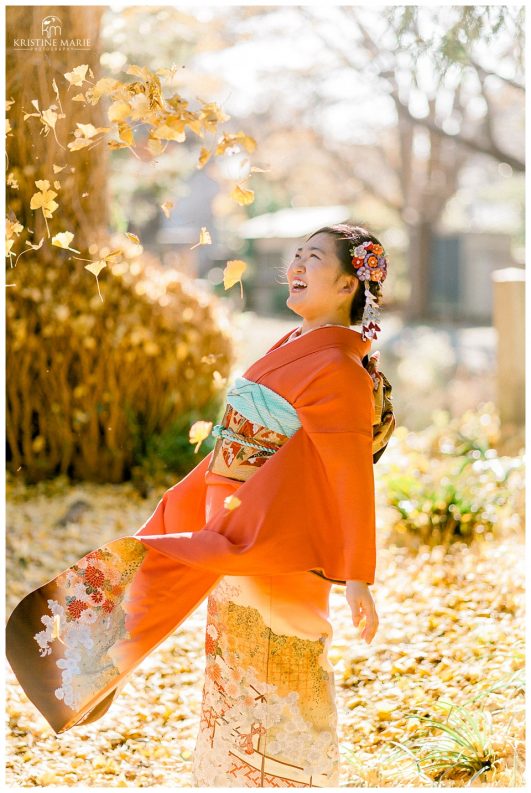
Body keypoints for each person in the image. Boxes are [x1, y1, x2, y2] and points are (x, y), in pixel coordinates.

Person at [6, 222, 392, 788]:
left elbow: (349, 475)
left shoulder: (338, 367)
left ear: (346, 285)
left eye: (314, 257)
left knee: (281, 666)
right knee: (234, 670)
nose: (297, 266)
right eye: (296, 255)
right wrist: (185, 506)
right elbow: (233, 449)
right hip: (236, 533)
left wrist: (357, 575)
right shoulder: (294, 346)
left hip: (277, 544)